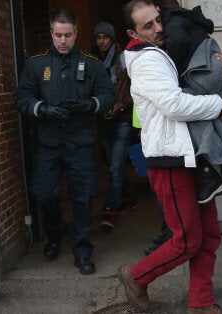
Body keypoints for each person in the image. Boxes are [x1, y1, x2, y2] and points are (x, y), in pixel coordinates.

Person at [117, 1, 222, 313]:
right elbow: (175, 105)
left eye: (158, 21)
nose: (158, 29)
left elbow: (194, 84)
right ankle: (136, 275)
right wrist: (217, 106)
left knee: (208, 235)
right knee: (187, 239)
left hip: (189, 154)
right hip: (168, 159)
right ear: (132, 33)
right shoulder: (145, 59)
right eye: (148, 26)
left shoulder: (165, 49)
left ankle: (201, 303)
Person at [15, 10, 114, 275]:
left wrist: (89, 104)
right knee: (45, 194)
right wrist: (42, 109)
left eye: (68, 35)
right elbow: (22, 98)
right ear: (51, 34)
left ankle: (82, 249)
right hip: (48, 143)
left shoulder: (91, 63)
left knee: (82, 197)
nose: (63, 41)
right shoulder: (36, 64)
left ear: (76, 34)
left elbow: (107, 95)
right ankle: (55, 234)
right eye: (58, 35)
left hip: (79, 142)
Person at [157, 0, 222, 207]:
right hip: (209, 77)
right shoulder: (187, 19)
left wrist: (167, 69)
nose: (155, 28)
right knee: (205, 119)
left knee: (185, 105)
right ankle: (218, 173)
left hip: (202, 79)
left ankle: (213, 173)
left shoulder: (172, 22)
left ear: (158, 9)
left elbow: (178, 45)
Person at [90, 22, 138, 231]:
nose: (101, 42)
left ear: (112, 38)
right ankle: (129, 196)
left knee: (117, 165)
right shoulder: (92, 61)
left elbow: (135, 88)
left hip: (123, 120)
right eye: (98, 38)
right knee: (113, 164)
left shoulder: (124, 58)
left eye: (105, 37)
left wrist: (119, 106)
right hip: (103, 121)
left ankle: (109, 210)